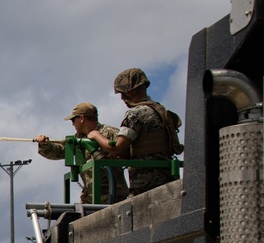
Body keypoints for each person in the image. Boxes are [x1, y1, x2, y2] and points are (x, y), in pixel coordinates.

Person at [88, 68, 183, 196]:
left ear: (132, 91)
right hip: (168, 180)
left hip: (145, 184)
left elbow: (115, 148)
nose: (122, 98)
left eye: (123, 93)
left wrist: (96, 135)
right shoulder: (160, 111)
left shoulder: (135, 114)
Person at [35, 102, 128, 204]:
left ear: (82, 118)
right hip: (89, 198)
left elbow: (125, 150)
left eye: (73, 120)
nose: (72, 123)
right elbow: (59, 151)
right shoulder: (78, 138)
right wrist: (44, 144)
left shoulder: (109, 133)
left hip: (113, 195)